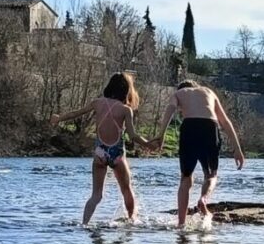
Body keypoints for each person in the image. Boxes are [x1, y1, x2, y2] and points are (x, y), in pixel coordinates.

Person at [154, 69, 244, 227]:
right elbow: (225, 121)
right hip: (209, 126)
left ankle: (181, 223)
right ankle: (203, 200)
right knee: (211, 175)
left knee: (185, 178)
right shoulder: (208, 92)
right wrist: (237, 149)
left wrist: (161, 134)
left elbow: (170, 110)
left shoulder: (179, 93)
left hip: (189, 128)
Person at [54, 72, 143, 224]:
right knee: (127, 190)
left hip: (99, 153)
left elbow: (76, 113)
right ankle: (132, 221)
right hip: (117, 155)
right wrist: (149, 144)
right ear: (126, 90)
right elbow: (133, 135)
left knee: (96, 196)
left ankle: (84, 224)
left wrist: (59, 118)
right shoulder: (125, 109)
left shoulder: (97, 103)